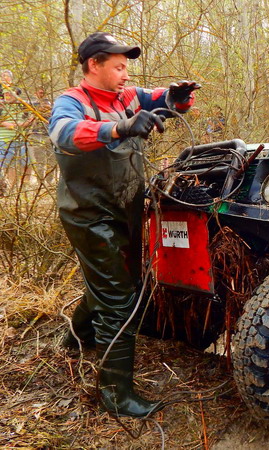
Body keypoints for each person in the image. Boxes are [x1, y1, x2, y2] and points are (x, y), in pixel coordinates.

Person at [49, 32, 199, 418]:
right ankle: (115, 393)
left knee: (118, 281)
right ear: (93, 65)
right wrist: (118, 129)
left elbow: (161, 99)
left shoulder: (126, 96)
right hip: (89, 213)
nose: (125, 73)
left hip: (126, 207)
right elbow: (64, 133)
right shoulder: (72, 102)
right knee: (118, 296)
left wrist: (178, 97)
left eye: (127, 65)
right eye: (117, 66)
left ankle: (76, 338)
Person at [0, 89, 33, 191]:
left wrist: (22, 124)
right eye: (6, 94)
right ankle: (11, 187)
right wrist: (15, 125)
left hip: (21, 138)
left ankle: (25, 186)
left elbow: (29, 120)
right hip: (5, 139)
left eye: (10, 93)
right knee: (9, 164)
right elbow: (3, 123)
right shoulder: (1, 106)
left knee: (27, 162)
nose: (8, 95)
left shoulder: (22, 106)